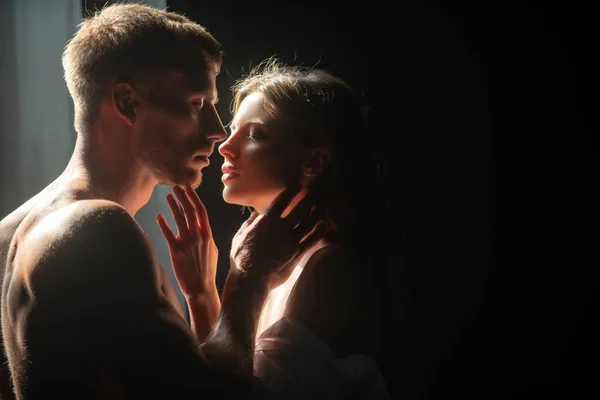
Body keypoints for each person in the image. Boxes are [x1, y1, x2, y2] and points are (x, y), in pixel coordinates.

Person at [0, 4, 323, 399]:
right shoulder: (94, 228)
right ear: (127, 102)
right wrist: (249, 278)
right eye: (195, 104)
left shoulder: (9, 234)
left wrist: (202, 295)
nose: (217, 132)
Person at [161, 57, 394, 398]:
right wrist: (202, 294)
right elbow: (219, 376)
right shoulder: (283, 261)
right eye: (234, 128)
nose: (225, 145)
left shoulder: (330, 268)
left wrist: (245, 279)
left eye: (255, 134)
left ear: (313, 162)